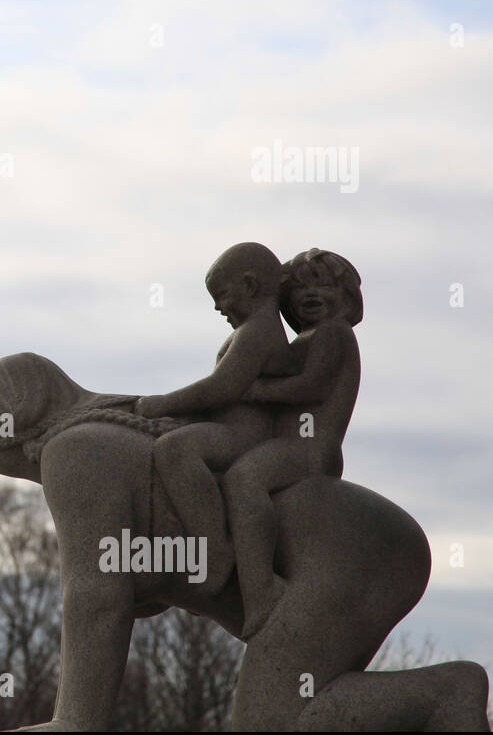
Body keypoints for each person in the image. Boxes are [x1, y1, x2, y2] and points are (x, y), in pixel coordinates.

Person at [223, 248, 363, 636]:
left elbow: (310, 386)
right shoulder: (307, 337)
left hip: (310, 448)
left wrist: (251, 391)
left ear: (347, 294)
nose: (310, 294)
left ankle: (261, 588)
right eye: (300, 287)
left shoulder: (334, 333)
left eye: (323, 284)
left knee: (242, 479)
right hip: (291, 444)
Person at [135, 243, 289, 593]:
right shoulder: (250, 331)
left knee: (175, 449)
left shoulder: (257, 332)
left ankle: (215, 548)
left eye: (221, 295)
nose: (218, 307)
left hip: (243, 435)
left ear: (250, 286)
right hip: (230, 428)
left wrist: (164, 404)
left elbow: (220, 390)